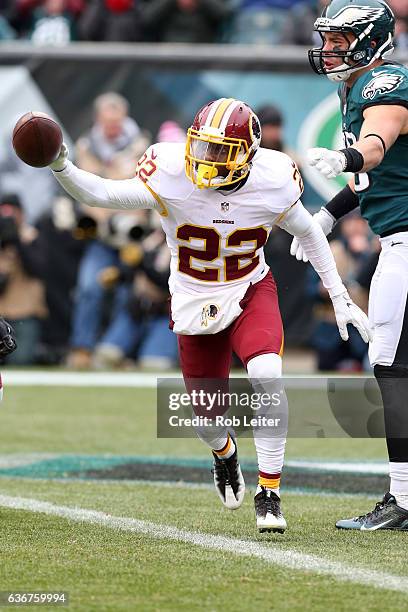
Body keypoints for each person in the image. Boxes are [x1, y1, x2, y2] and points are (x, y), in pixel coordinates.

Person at [46, 97, 370, 533]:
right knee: (206, 420)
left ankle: (269, 491)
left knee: (268, 371)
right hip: (193, 298)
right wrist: (61, 163)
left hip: (249, 288)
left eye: (221, 151)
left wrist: (339, 294)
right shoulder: (172, 171)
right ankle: (225, 454)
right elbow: (101, 192)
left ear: (249, 154)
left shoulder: (272, 180)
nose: (207, 159)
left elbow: (310, 232)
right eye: (203, 147)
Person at [290, 0, 408, 530]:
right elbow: (374, 182)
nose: (330, 47)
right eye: (329, 38)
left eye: (341, 39)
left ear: (372, 39)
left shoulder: (384, 82)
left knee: (392, 370)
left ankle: (404, 501)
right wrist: (328, 215)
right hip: (396, 240)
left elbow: (379, 141)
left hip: (406, 244)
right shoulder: (352, 88)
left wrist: (351, 157)